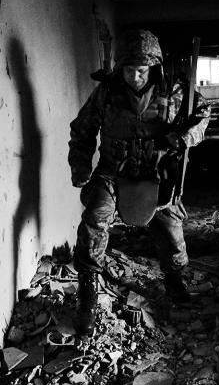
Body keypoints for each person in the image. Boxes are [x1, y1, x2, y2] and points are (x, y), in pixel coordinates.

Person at [68, 29, 210, 334]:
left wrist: (184, 137)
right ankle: (88, 298)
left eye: (141, 71)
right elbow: (82, 130)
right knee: (93, 221)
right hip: (112, 174)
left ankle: (174, 282)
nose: (135, 77)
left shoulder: (174, 90)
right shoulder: (106, 92)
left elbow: (203, 113)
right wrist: (80, 168)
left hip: (155, 174)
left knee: (172, 236)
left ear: (154, 68)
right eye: (129, 70)